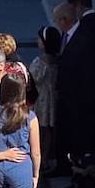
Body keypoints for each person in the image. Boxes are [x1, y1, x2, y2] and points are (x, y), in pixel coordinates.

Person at [56, 0, 95, 165]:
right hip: (92, 85)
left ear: (78, 6)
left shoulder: (86, 27)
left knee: (80, 126)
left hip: (80, 88)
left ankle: (82, 159)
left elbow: (78, 59)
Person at [30, 26, 61, 170]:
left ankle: (42, 157)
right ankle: (50, 156)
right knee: (52, 129)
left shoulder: (41, 62)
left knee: (42, 129)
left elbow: (34, 78)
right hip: (54, 98)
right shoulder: (58, 60)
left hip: (42, 99)